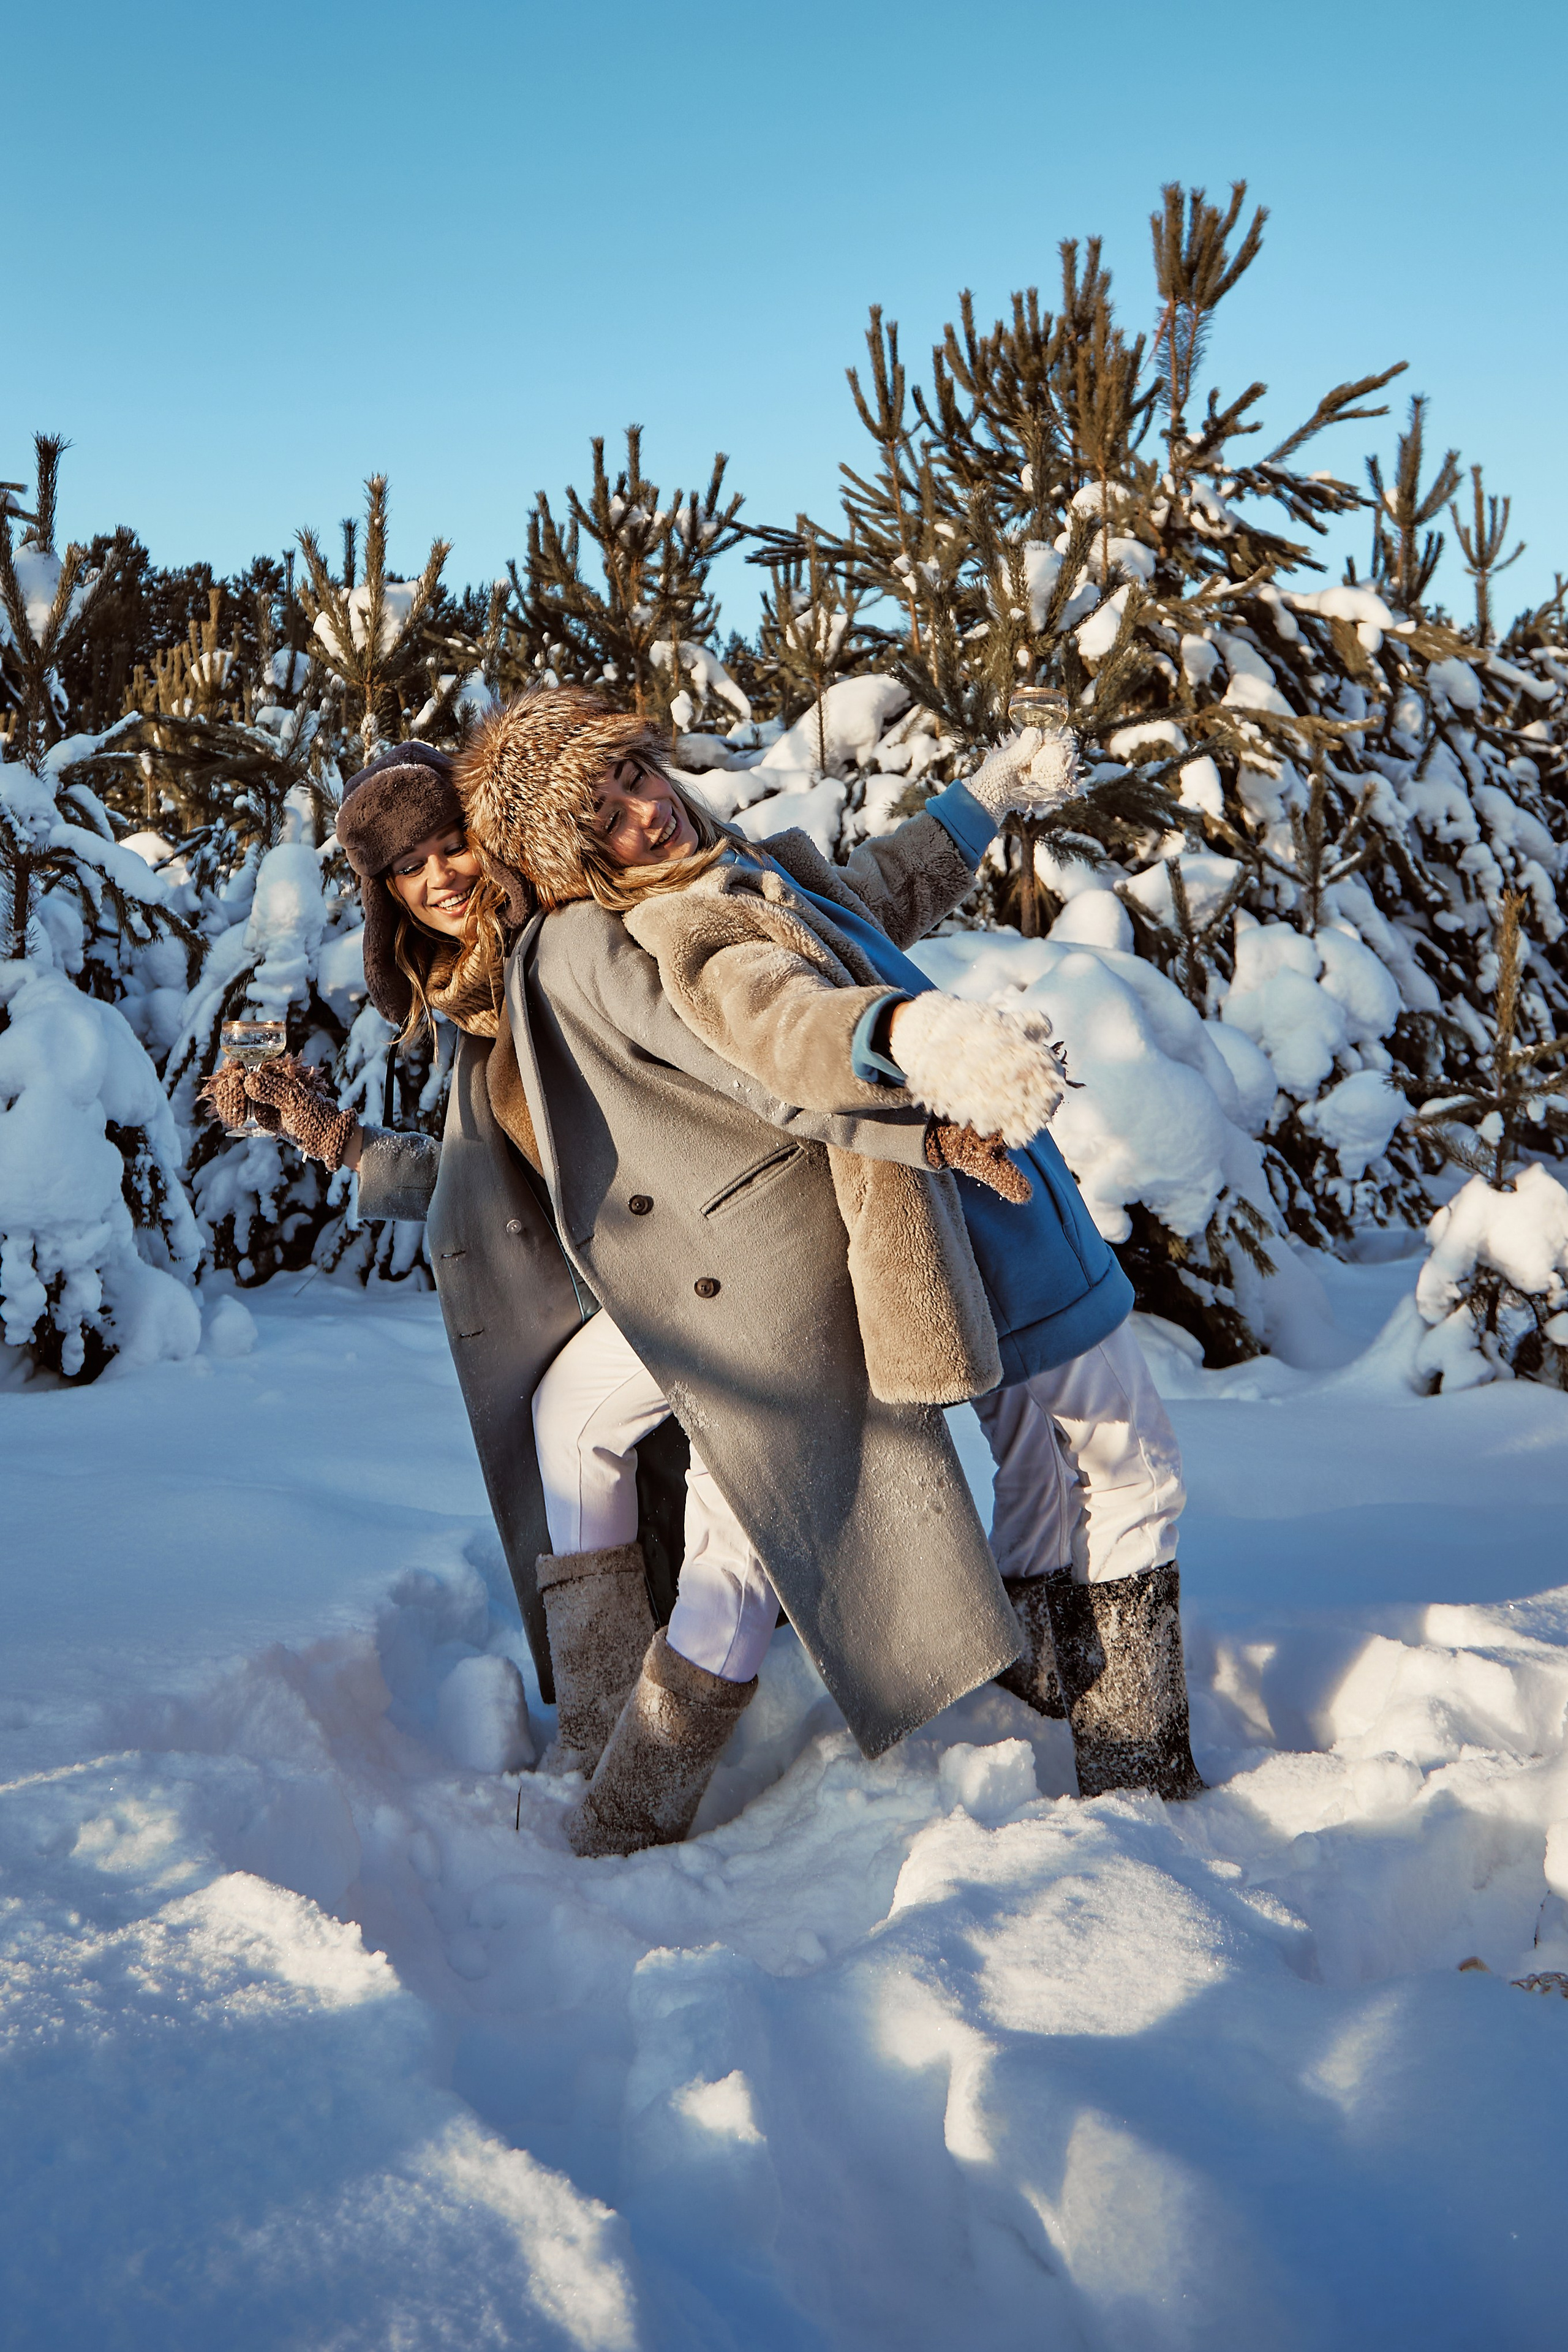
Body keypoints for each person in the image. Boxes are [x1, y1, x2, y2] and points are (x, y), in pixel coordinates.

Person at [449, 688, 1202, 1858]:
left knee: (1048, 1473)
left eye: (636, 777)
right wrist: (920, 1041)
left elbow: (880, 888)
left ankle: (1062, 1699)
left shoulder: (746, 868)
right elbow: (785, 1029)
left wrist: (984, 799)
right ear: (580, 862)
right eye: (602, 819)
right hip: (931, 1243)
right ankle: (1138, 1767)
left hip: (987, 1212)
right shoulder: (682, 931)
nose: (643, 814)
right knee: (1117, 1466)